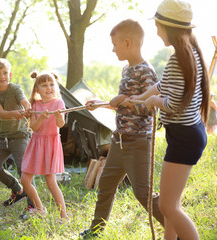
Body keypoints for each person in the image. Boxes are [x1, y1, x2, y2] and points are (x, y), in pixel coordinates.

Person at [126, 1, 210, 239]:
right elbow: (164, 85)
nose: (156, 31)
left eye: (158, 25)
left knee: (167, 207)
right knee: (171, 203)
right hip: (189, 134)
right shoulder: (190, 55)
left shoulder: (178, 59)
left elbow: (172, 103)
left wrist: (152, 103)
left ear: (168, 28)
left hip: (184, 138)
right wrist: (141, 97)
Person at [80, 19, 164, 238]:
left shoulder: (146, 72)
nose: (113, 49)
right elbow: (121, 105)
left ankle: (176, 228)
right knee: (106, 184)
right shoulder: (127, 69)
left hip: (138, 143)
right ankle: (96, 230)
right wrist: (99, 103)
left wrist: (124, 99)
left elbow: (150, 108)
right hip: (119, 141)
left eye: (115, 44)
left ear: (128, 42)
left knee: (143, 194)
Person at [0, 58, 35, 211]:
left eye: (5, 73)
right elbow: (0, 112)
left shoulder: (15, 89)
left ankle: (32, 205)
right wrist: (14, 114)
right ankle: (18, 190)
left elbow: (25, 102)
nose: (2, 77)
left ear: (10, 74)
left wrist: (28, 109)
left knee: (24, 169)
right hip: (3, 137)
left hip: (20, 136)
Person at [20, 71, 67, 221]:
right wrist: (41, 117)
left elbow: (60, 124)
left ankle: (63, 215)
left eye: (52, 84)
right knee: (25, 179)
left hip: (51, 143)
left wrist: (58, 115)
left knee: (50, 181)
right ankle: (39, 208)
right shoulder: (35, 105)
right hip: (36, 142)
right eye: (44, 85)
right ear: (37, 89)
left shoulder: (58, 103)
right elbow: (34, 127)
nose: (49, 88)